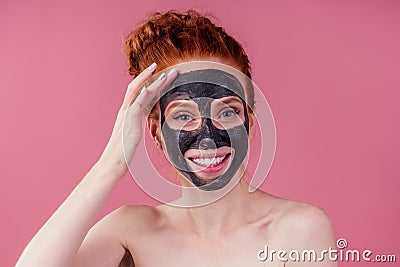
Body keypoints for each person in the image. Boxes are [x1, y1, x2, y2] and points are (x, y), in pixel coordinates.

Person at [16, 10, 337, 267]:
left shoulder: (295, 228)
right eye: (183, 116)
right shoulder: (132, 231)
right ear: (156, 132)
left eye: (226, 112)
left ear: (249, 122)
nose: (208, 137)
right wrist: (111, 163)